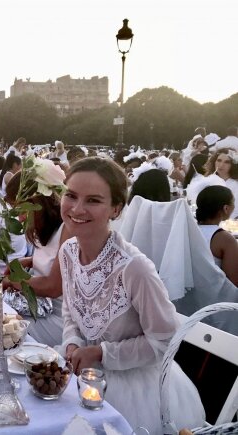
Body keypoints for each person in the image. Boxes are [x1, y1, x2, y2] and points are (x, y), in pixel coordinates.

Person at [59, 157, 204, 434]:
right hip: (83, 375)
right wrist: (72, 345)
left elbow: (165, 341)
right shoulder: (67, 251)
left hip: (136, 391)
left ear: (115, 209)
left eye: (93, 200)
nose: (77, 208)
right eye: (71, 195)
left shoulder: (135, 268)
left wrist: (100, 353)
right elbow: (70, 310)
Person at [2, 169, 71, 347]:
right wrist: (28, 260)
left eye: (23, 210)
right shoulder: (46, 226)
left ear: (38, 203)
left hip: (60, 319)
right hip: (38, 307)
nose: (20, 217)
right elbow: (53, 259)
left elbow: (53, 286)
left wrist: (13, 281)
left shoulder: (67, 230)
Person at [196, 185, 238, 285]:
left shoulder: (189, 229)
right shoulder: (224, 239)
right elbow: (234, 281)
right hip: (216, 297)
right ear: (226, 208)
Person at [203, 148, 238, 219]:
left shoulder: (235, 185)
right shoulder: (207, 182)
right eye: (219, 160)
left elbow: (235, 211)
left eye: (227, 162)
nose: (221, 165)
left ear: (232, 165)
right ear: (214, 161)